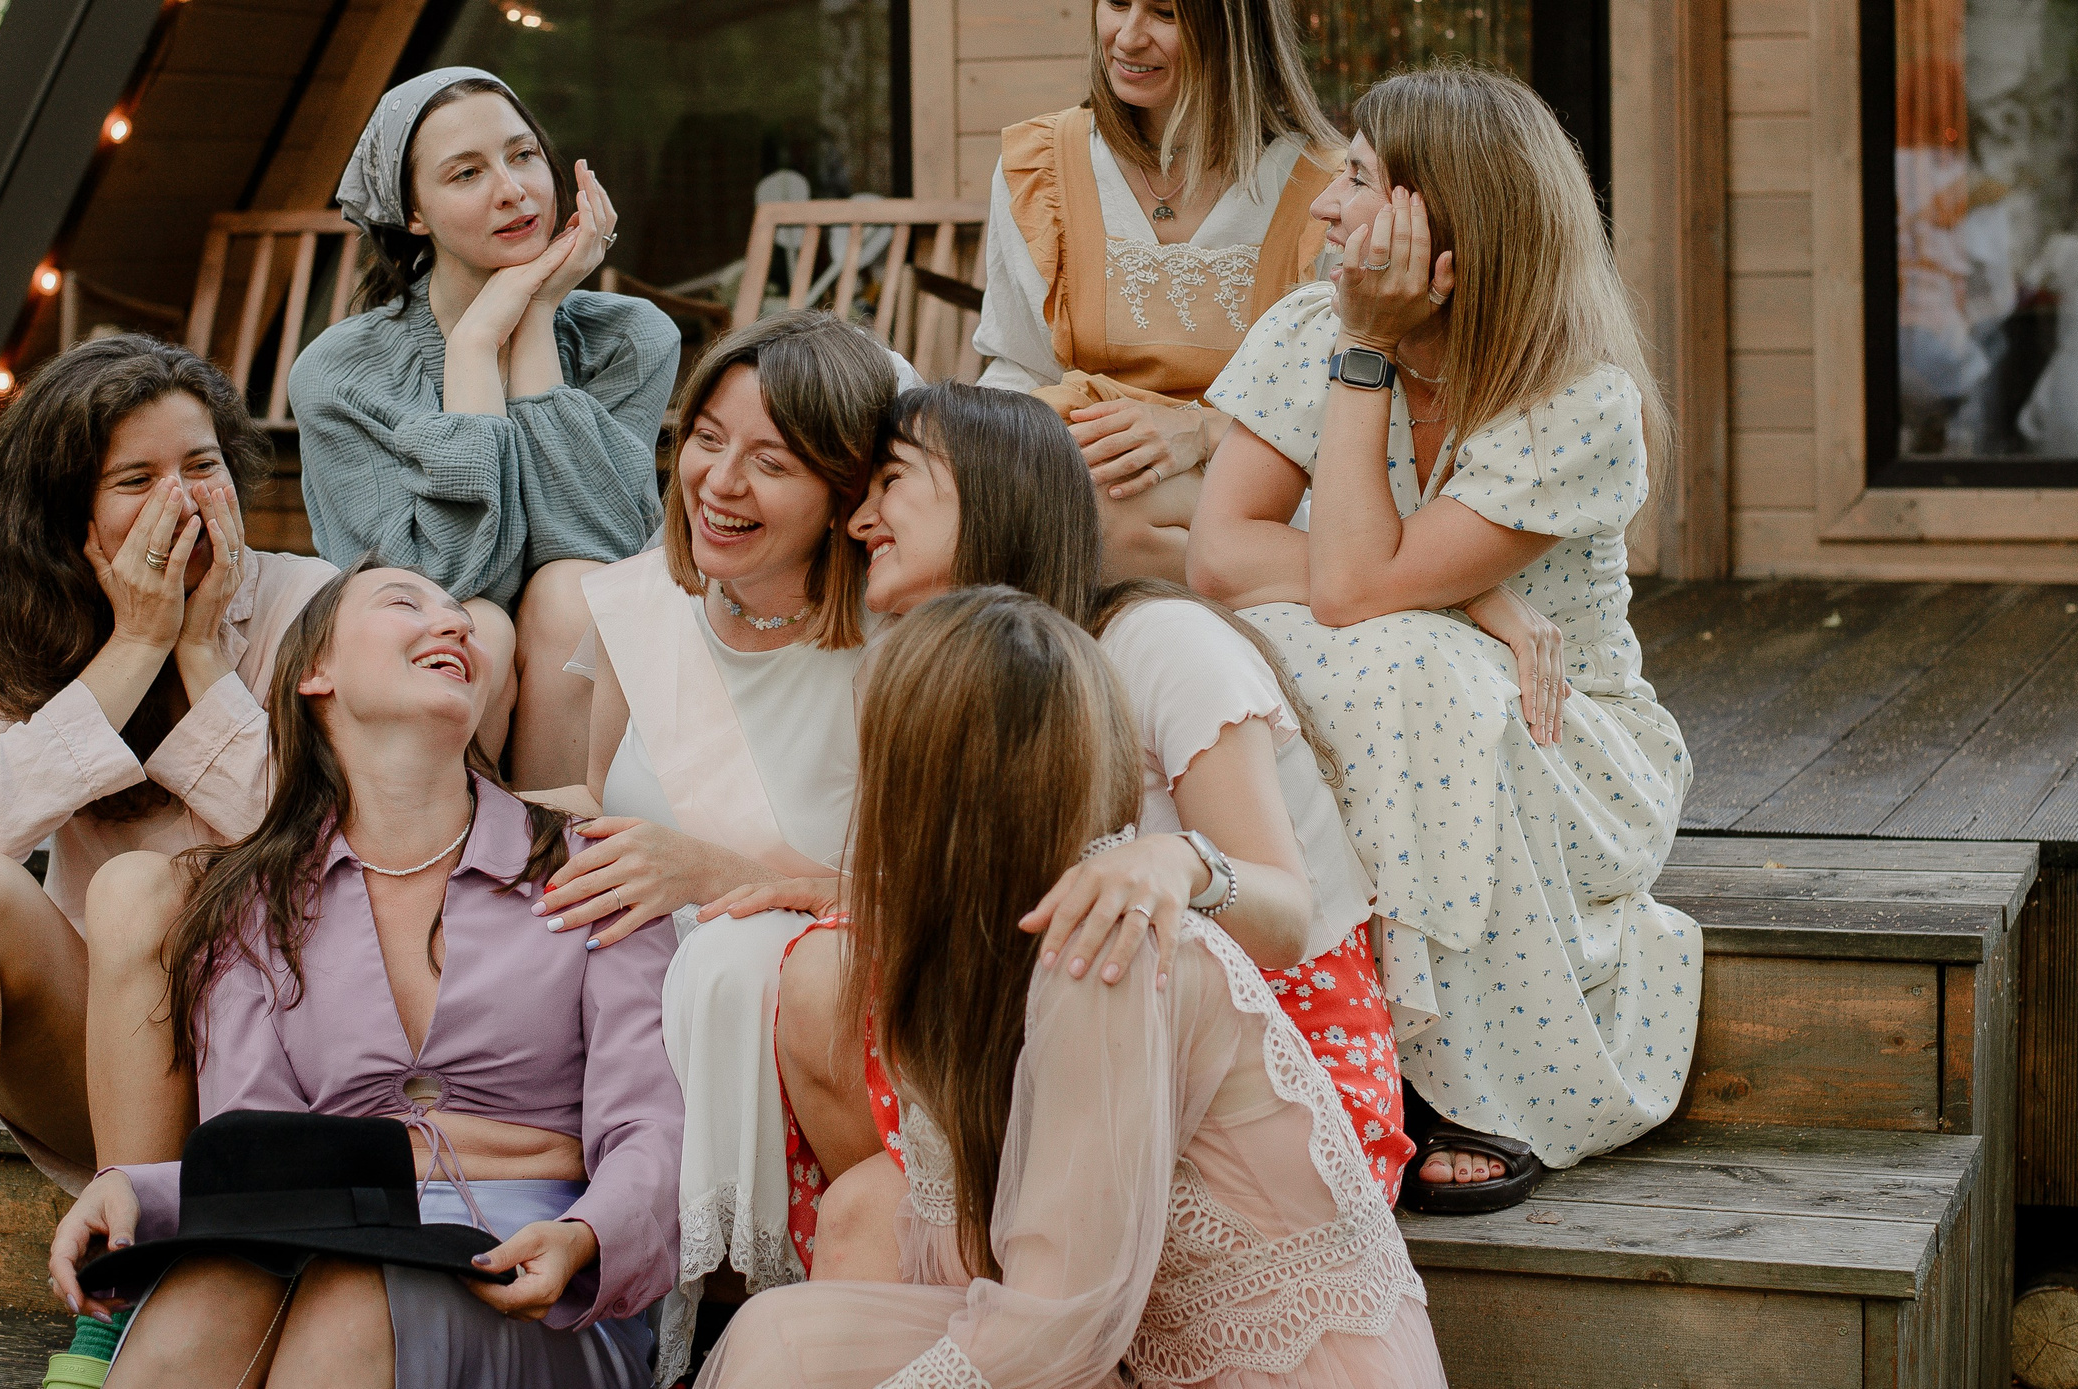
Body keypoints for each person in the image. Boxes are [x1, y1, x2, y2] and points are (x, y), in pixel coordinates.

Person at [696, 588, 1445, 1389]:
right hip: (1136, 1353)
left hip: (1269, 1371)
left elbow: (1056, 1330)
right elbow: (974, 1248)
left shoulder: (1110, 953)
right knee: (782, 1341)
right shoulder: (1000, 934)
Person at [1190, 60, 1702, 1213]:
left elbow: (1353, 584)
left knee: (1398, 655)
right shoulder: (1303, 327)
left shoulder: (1575, 399)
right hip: (1407, 692)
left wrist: (1366, 360)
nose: (1323, 200)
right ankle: (1334, 1025)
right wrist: (1466, 590)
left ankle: (1446, 1075)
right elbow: (1221, 555)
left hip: (1560, 746)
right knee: (1300, 644)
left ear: (1449, 231)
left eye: (1362, 178)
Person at [764, 381, 1407, 1247]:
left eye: (891, 482)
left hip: (1268, 1058)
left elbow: (1287, 919)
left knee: (857, 1129)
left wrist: (1178, 862)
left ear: (992, 487)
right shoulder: (936, 676)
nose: (859, 521)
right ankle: (962, 1280)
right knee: (819, 975)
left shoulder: (1157, 644)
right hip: (1078, 1039)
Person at [45, 557, 682, 1386]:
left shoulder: (586, 865)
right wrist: (132, 1191)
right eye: (404, 602)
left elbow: (654, 1130)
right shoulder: (251, 907)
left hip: (541, 1281)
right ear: (317, 672)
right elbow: (265, 1167)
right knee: (210, 1291)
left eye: (460, 614)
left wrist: (587, 1235)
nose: (452, 622)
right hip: (335, 1241)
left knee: (350, 1296)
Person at [0, 337, 335, 1389]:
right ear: (72, 516)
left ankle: (114, 1325)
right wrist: (134, 647)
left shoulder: (312, 606)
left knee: (139, 887)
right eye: (137, 479)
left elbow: (317, 845)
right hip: (101, 1061)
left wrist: (203, 657)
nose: (183, 499)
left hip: (284, 1070)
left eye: (202, 465)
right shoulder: (25, 627)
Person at [532, 308, 894, 1379]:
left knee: (732, 959)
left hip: (817, 1016)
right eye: (705, 437)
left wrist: (729, 877)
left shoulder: (894, 646)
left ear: (844, 487)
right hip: (628, 997)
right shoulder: (643, 606)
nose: (718, 481)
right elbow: (595, 799)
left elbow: (929, 887)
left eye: (771, 459)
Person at [289, 65, 679, 787]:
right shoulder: (341, 375)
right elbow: (439, 586)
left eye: (523, 154)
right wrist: (471, 350)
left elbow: (606, 550)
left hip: (597, 691)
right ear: (413, 213)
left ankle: (551, 860)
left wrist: (529, 324)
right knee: (477, 625)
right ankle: (455, 863)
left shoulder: (632, 338)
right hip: (407, 683)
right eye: (466, 173)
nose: (513, 189)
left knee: (572, 596)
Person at [971, 0, 1345, 582]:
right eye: (1115, 2)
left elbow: (1353, 413)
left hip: (1251, 503)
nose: (1127, 36)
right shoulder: (1042, 167)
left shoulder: (1323, 193)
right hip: (1070, 488)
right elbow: (1017, 366)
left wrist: (1202, 431)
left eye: (1165, 14)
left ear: (1233, 25)